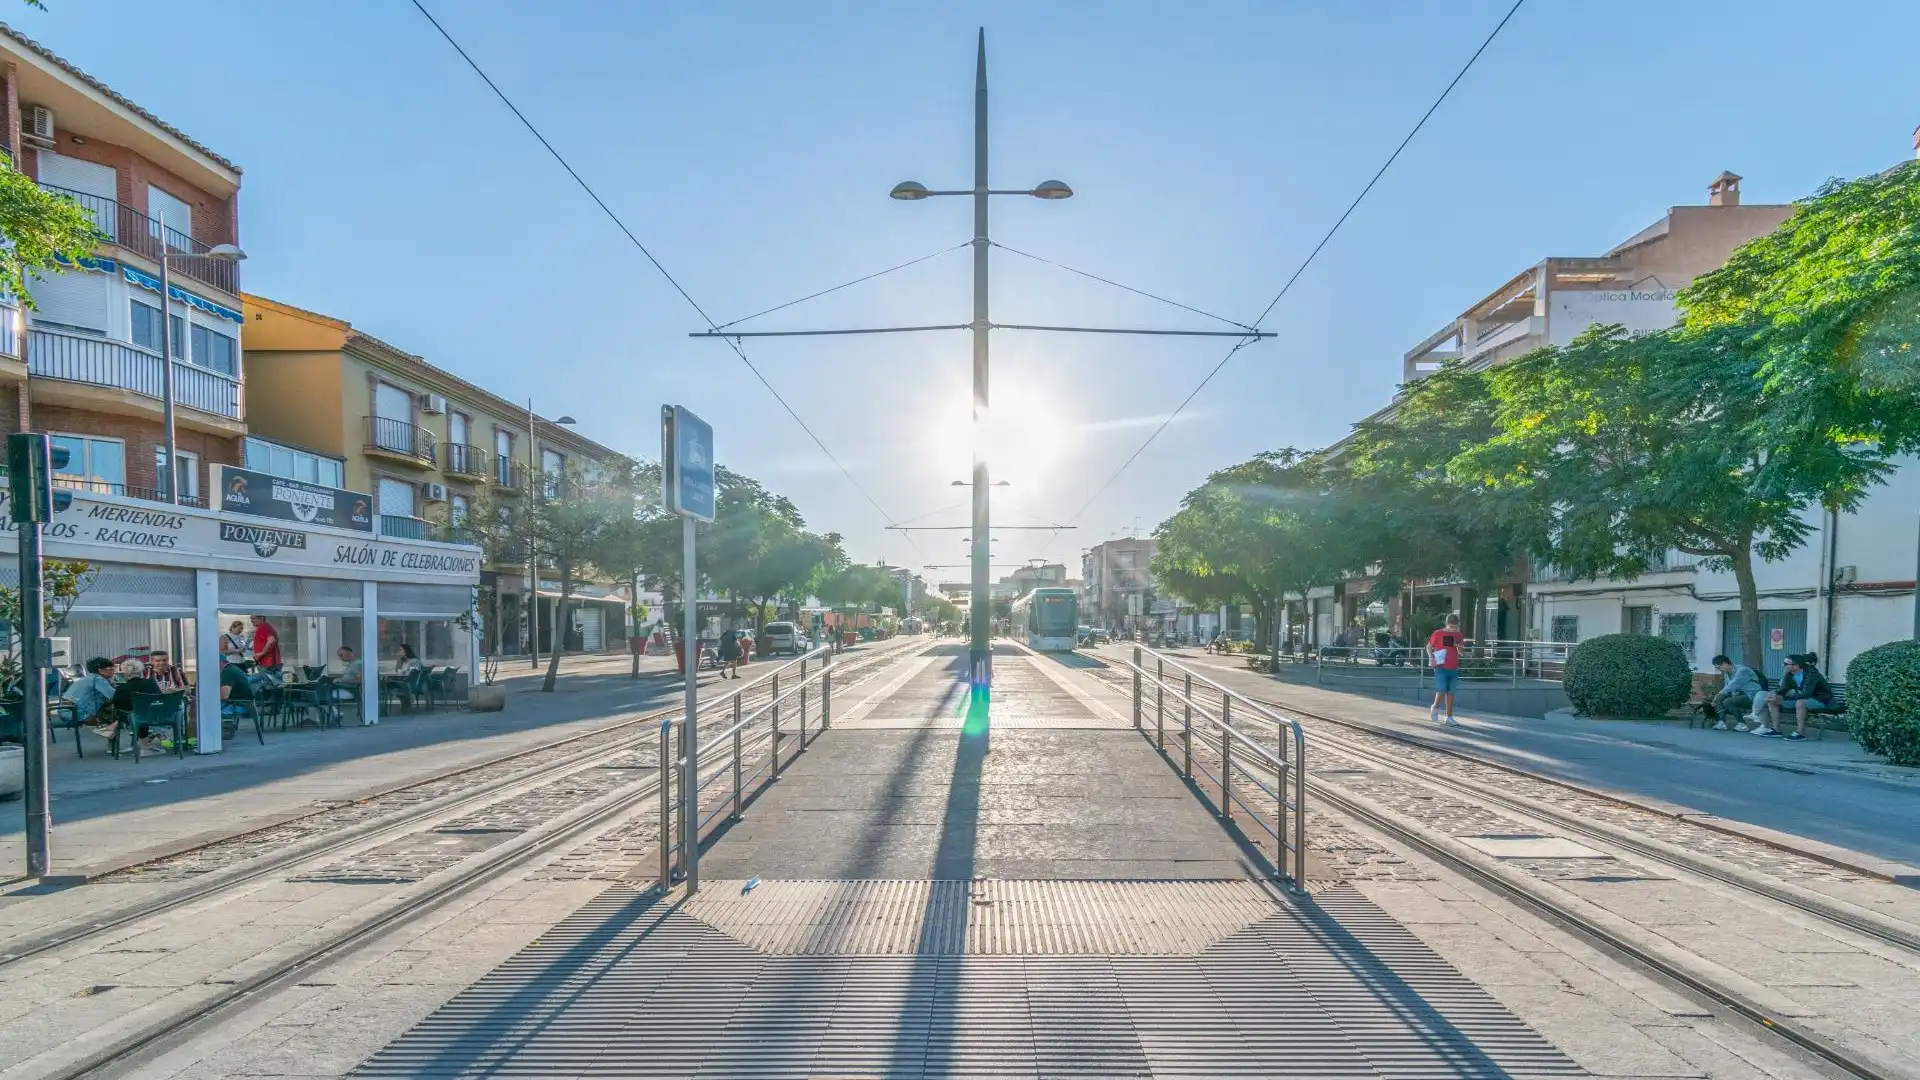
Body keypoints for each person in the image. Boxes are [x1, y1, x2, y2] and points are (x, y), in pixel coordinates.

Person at [1761, 652, 1834, 741]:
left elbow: (1807, 694)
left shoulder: (1811, 674)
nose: (1783, 666)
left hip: (1821, 699)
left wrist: (1786, 698)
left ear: (1796, 666)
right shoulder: (1790, 673)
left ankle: (1800, 733)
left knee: (1800, 702)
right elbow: (1783, 688)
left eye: (1786, 664)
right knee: (1773, 700)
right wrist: (1775, 694)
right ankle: (1776, 729)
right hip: (1802, 698)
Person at [111, 659, 168, 753]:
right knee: (143, 712)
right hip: (154, 716)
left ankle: (143, 745)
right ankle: (144, 745)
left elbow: (117, 705)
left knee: (134, 713)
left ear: (125, 673)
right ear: (140, 671)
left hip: (131, 719)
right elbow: (160, 699)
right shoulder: (151, 683)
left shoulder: (121, 688)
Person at [62, 657, 120, 735]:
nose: (114, 671)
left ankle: (106, 732)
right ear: (101, 671)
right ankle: (106, 733)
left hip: (65, 711)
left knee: (109, 707)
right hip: (76, 713)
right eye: (111, 669)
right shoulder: (99, 679)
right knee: (120, 715)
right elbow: (114, 696)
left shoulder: (89, 678)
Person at [1426, 613, 1465, 727]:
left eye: (1454, 627)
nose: (1452, 629)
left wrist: (1459, 647)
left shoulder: (1458, 634)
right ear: (1446, 624)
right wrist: (1431, 657)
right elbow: (1428, 646)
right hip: (1440, 666)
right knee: (1442, 689)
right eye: (1450, 627)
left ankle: (1449, 717)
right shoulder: (1438, 633)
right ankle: (1435, 707)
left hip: (1453, 666)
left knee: (1451, 692)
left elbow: (1461, 652)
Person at [1709, 654, 1763, 731]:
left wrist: (1717, 697)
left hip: (1753, 695)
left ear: (1724, 663)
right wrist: (1717, 698)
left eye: (1718, 667)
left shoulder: (1742, 670)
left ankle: (1742, 724)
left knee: (1727, 702)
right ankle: (1721, 722)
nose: (1719, 669)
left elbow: (1731, 686)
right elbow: (1727, 689)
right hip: (1740, 695)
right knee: (1720, 699)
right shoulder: (1726, 673)